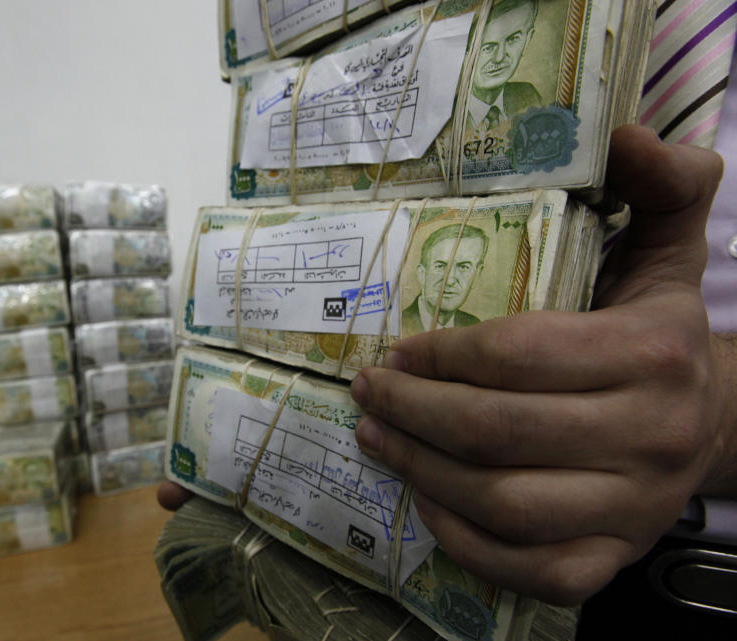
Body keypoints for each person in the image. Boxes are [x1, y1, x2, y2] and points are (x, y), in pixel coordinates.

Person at [157, 124, 737, 632]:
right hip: (336, 588)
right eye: (443, 267)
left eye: (467, 268)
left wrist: (725, 413)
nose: (455, 281)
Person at [400, 224, 488, 335]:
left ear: (476, 275)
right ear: (422, 274)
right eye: (440, 266)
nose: (450, 281)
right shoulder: (397, 325)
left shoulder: (474, 326)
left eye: (464, 267)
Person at [467, 0, 542, 130]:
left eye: (512, 40)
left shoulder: (529, 96)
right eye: (488, 47)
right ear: (464, 55)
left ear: (527, 40)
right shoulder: (445, 120)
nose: (499, 57)